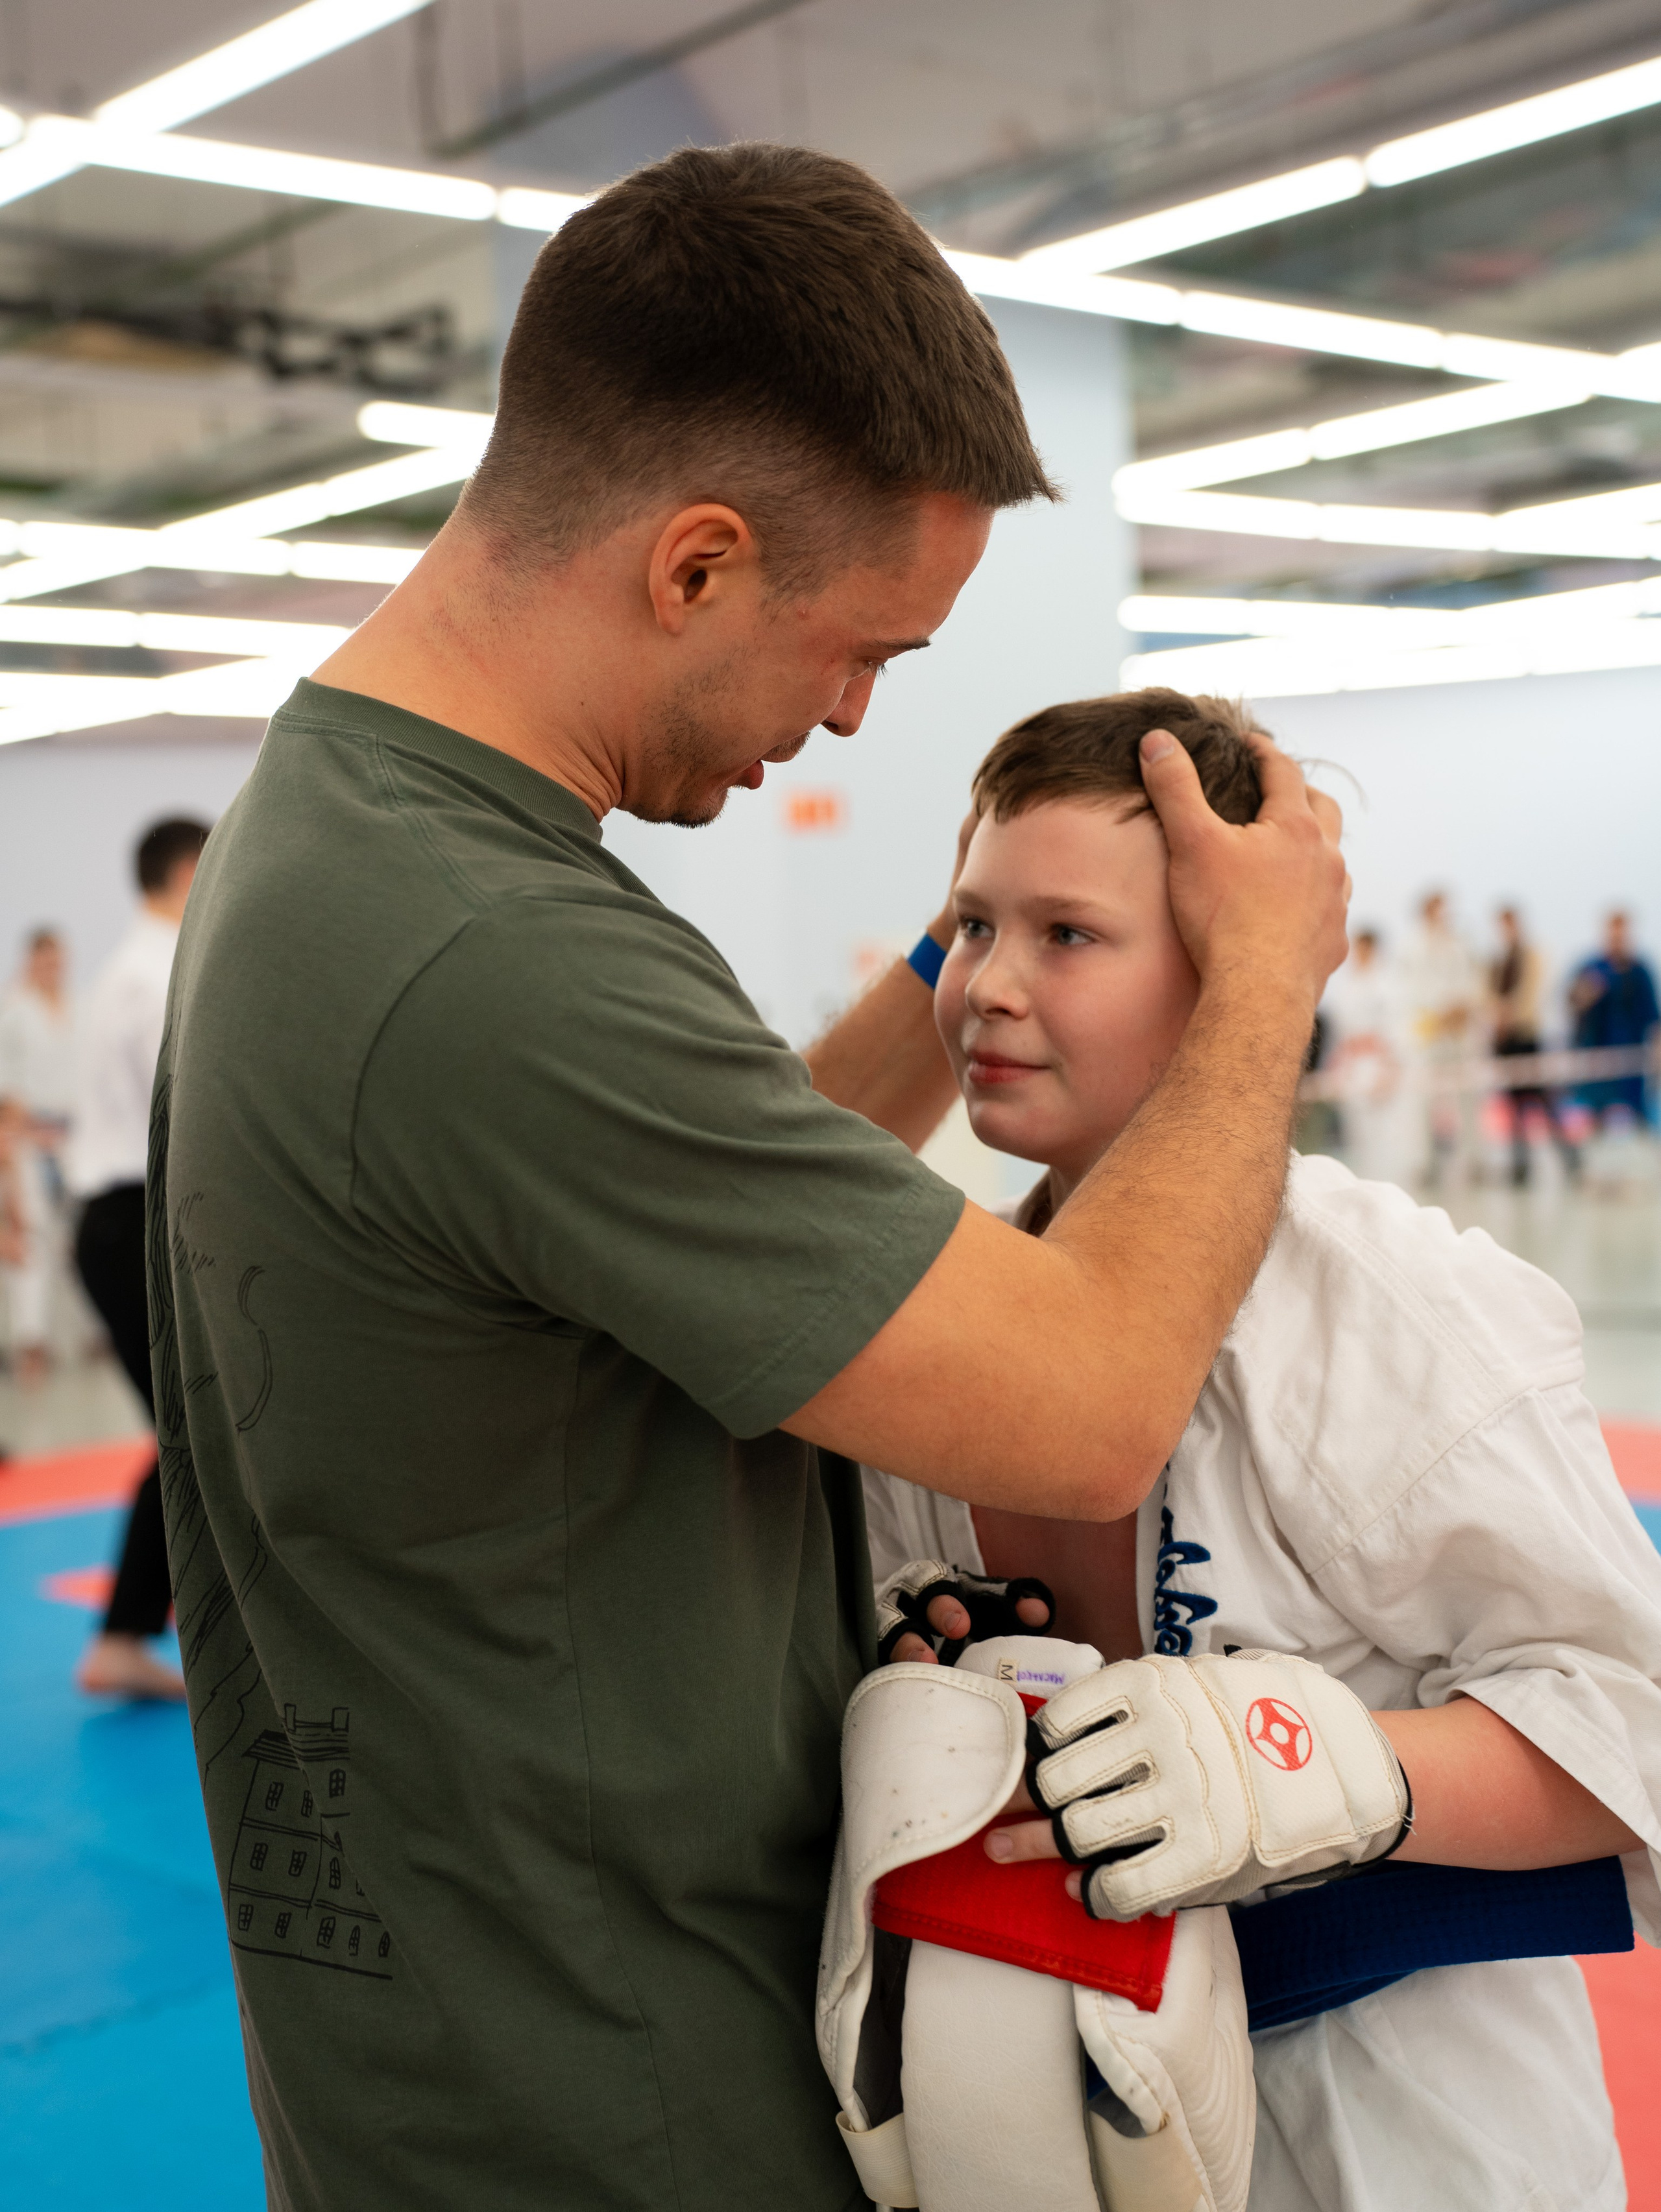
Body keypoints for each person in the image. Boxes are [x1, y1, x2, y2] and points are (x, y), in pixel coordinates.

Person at [149, 146, 1346, 2212]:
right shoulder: (493, 951)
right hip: (609, 2095)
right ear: (696, 563)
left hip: (463, 2040)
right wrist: (1263, 985)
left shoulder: (355, 833)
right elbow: (1091, 1395)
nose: (851, 716)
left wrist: (973, 943)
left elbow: (678, 1212)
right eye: (858, 647)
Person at [862, 688, 1661, 2212]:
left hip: (1404, 2135)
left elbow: (1633, 1723)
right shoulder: (941, 1323)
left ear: (1223, 969)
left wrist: (1322, 1766)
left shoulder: (1391, 1310)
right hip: (1056, 2121)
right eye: (970, 925)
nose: (987, 988)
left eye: (1066, 935)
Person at [69, 818, 207, 1699]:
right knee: (195, 1434)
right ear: (190, 870)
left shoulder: (128, 970)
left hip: (124, 1219)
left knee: (196, 1433)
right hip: (135, 1217)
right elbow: (196, 1104)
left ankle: (141, 1625)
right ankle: (123, 1636)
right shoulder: (158, 973)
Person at [0, 927, 75, 1380]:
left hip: (74, 1138)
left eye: (58, 961)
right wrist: (19, 1136)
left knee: (79, 1234)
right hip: (30, 1138)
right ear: (31, 962)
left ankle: (96, 1335)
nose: (52, 969)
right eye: (44, 962)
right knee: (30, 1236)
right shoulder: (15, 1011)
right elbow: (7, 1085)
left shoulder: (78, 1007)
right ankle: (31, 1343)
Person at [1488, 904, 1578, 1187]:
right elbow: (1490, 995)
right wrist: (1497, 1017)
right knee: (1513, 1107)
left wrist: (1508, 1015)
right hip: (1505, 1042)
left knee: (1544, 1101)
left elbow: (1531, 994)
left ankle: (1569, 1158)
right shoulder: (1498, 961)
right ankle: (1521, 1166)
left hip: (1527, 1039)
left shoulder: (1532, 956)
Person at [1400, 888, 1481, 1187]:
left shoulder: (1460, 945)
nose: (1444, 914)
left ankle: (1474, 1160)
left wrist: (1462, 1007)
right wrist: (1441, 1012)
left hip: (1459, 1032)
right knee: (1425, 1100)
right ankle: (1427, 1163)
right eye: (1438, 908)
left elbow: (1471, 982)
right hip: (1429, 1032)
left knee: (1468, 1097)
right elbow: (1411, 990)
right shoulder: (1412, 947)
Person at [1320, 926, 1408, 1185]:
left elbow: (1396, 1030)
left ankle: (1389, 1183)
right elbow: (1339, 1033)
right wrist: (1338, 1066)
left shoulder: (1388, 985)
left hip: (1378, 1064)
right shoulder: (1348, 986)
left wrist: (1390, 1068)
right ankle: (1364, 1184)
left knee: (1384, 1131)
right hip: (1353, 1066)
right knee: (1357, 1134)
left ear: (1373, 949)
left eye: (1362, 948)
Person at [1571, 909, 1660, 1131]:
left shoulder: (1639, 971)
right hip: (1596, 1062)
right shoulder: (1592, 968)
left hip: (1631, 1063)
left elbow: (1653, 1017)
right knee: (1592, 1119)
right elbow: (1573, 1003)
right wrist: (1587, 994)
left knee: (1633, 1120)